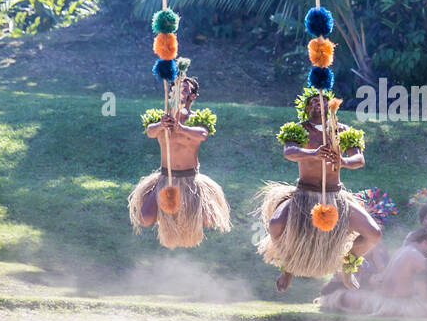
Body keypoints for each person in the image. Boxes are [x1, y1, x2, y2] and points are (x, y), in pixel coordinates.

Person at [256, 87, 383, 293]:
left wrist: (342, 161)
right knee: (276, 225)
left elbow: (359, 159)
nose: (318, 103)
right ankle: (287, 267)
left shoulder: (343, 131)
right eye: (313, 101)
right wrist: (314, 153)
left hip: (335, 196)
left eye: (322, 100)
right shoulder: (298, 129)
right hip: (303, 196)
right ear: (306, 107)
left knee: (373, 234)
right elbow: (289, 151)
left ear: (330, 105)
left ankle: (347, 266)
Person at [128, 74, 232, 248]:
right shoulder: (161, 118)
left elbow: (203, 134)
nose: (180, 92)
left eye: (185, 89)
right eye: (176, 88)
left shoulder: (198, 119)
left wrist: (181, 128)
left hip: (190, 180)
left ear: (192, 96)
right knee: (144, 219)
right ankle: (167, 217)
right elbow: (150, 132)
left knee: (210, 220)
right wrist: (162, 124)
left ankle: (186, 216)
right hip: (165, 179)